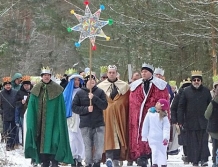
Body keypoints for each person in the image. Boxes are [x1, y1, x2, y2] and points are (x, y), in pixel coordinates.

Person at [24, 67, 73, 167]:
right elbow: (32, 106)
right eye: (44, 75)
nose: (46, 77)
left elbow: (60, 107)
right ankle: (44, 161)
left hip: (54, 121)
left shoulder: (57, 89)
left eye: (48, 75)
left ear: (50, 76)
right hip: (40, 123)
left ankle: (54, 160)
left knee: (55, 139)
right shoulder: (36, 89)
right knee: (41, 140)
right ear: (42, 76)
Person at [129, 63, 169, 167]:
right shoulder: (136, 85)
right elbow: (133, 102)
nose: (143, 73)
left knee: (155, 141)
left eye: (145, 71)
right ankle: (141, 157)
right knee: (142, 136)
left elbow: (164, 101)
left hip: (155, 118)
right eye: (142, 72)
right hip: (140, 117)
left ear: (151, 73)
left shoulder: (160, 85)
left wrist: (157, 110)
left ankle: (155, 159)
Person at [97, 65, 129, 167]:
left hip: (119, 115)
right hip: (106, 115)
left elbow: (126, 101)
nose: (111, 74)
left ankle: (116, 158)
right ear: (107, 74)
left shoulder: (124, 86)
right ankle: (109, 157)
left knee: (119, 135)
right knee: (108, 135)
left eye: (113, 72)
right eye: (110, 72)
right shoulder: (101, 86)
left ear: (116, 73)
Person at [72, 74, 108, 167]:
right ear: (86, 81)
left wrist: (94, 98)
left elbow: (104, 105)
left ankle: (97, 162)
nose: (92, 82)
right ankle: (88, 162)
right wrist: (86, 109)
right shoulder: (80, 93)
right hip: (85, 124)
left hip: (98, 124)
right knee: (88, 146)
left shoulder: (100, 92)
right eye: (90, 80)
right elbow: (74, 107)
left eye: (93, 80)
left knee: (99, 145)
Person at [177, 70, 211, 166]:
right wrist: (180, 120)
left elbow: (210, 105)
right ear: (192, 81)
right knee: (193, 143)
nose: (196, 81)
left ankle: (204, 159)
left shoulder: (206, 91)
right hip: (190, 122)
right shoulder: (186, 91)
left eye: (198, 80)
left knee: (204, 142)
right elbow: (181, 106)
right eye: (194, 80)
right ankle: (195, 160)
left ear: (201, 81)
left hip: (204, 122)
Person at [63, 73, 85, 167]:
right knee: (72, 139)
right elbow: (64, 104)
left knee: (80, 138)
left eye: (78, 80)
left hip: (81, 117)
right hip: (70, 118)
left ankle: (79, 158)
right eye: (75, 80)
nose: (76, 82)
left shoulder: (83, 92)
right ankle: (72, 157)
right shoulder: (67, 92)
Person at [142, 99, 170, 167]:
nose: (157, 103)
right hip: (152, 138)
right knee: (154, 151)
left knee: (162, 152)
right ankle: (155, 164)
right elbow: (145, 125)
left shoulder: (164, 117)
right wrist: (144, 136)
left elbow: (166, 128)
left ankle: (163, 164)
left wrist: (165, 138)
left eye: (159, 103)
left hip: (161, 139)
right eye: (157, 102)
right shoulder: (149, 114)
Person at [170, 78, 191, 163]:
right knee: (185, 139)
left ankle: (193, 155)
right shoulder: (179, 95)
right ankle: (186, 155)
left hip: (193, 120)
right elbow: (173, 108)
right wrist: (174, 119)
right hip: (182, 120)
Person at [0, 77, 17, 151]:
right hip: (5, 114)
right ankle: (7, 144)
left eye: (9, 85)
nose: (8, 86)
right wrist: (2, 112)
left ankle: (12, 144)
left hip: (14, 114)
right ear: (4, 86)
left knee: (13, 130)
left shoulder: (15, 92)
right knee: (6, 130)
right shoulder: (1, 94)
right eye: (6, 85)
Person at [205, 75, 218, 167]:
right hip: (215, 129)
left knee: (215, 147)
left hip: (214, 129)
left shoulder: (213, 102)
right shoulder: (213, 102)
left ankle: (215, 161)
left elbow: (206, 115)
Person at [15, 75, 32, 146]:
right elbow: (15, 103)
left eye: (27, 85)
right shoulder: (19, 92)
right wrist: (20, 102)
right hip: (23, 113)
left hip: (32, 113)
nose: (26, 86)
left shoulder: (33, 91)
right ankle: (24, 143)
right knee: (24, 128)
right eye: (25, 85)